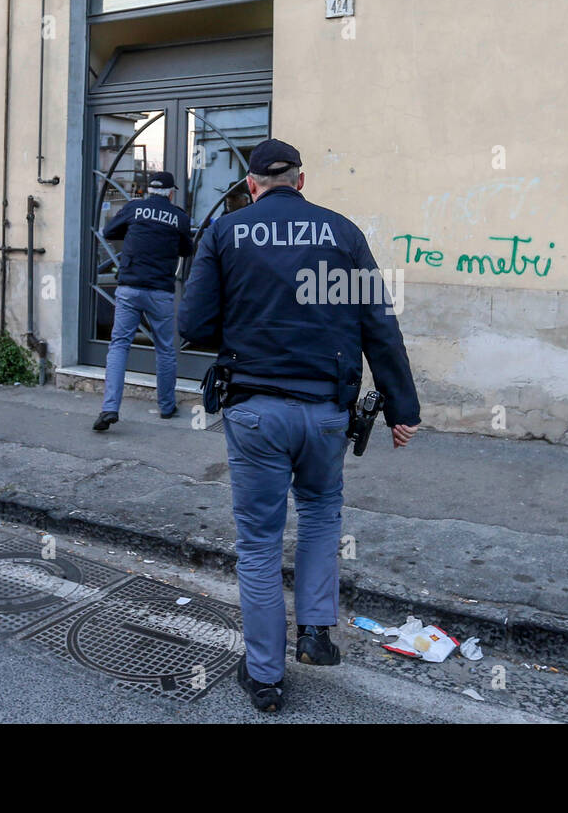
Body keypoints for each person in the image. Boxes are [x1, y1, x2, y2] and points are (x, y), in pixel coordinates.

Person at [178, 138, 421, 713]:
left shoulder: (227, 232)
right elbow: (379, 327)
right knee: (319, 512)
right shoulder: (342, 233)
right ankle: (316, 631)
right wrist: (402, 410)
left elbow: (192, 322)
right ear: (302, 182)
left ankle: (264, 677)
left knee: (259, 542)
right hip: (325, 412)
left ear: (252, 184)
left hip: (256, 410)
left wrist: (247, 322)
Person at [92, 170, 193, 430]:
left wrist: (137, 235)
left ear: (149, 190)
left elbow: (108, 231)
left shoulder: (134, 209)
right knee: (165, 349)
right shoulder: (178, 217)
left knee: (119, 346)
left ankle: (110, 408)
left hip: (129, 288)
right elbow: (187, 249)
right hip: (160, 291)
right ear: (171, 193)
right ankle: (167, 407)